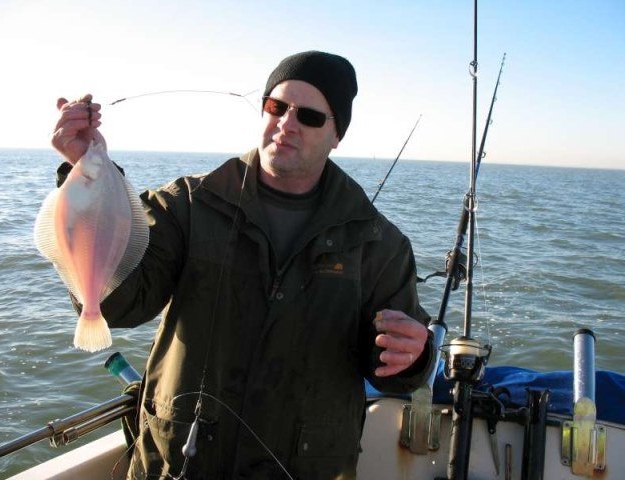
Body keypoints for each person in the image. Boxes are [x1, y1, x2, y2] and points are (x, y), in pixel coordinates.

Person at [51, 51, 435, 480]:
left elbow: (394, 375)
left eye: (309, 116)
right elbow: (122, 303)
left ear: (336, 135)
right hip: (179, 463)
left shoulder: (380, 243)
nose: (287, 123)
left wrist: (415, 356)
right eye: (277, 106)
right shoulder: (187, 205)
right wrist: (86, 170)